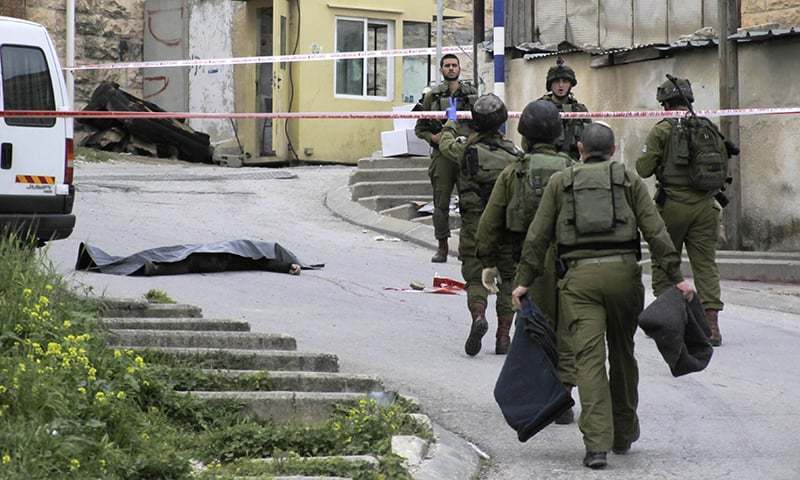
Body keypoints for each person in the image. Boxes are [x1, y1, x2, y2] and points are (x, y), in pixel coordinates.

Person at [511, 123, 694, 469]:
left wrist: (523, 282)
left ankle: (596, 446)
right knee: (623, 352)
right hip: (624, 276)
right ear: (613, 150)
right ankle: (623, 434)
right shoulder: (628, 180)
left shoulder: (560, 183)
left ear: (579, 149)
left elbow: (537, 237)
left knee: (589, 360)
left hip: (579, 281)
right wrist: (676, 278)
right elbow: (656, 231)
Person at [475, 99, 578, 423]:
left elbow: (489, 224)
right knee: (568, 328)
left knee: (533, 329)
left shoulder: (514, 171)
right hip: (569, 262)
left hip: (527, 263)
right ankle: (564, 394)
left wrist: (488, 260)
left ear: (524, 136)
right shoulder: (572, 168)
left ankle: (539, 397)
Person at [636, 75, 737, 346]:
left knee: (663, 260)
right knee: (705, 264)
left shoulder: (662, 129)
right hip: (707, 207)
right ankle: (711, 326)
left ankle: (668, 320)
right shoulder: (707, 126)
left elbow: (643, 168)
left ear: (665, 103)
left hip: (673, 208)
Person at [438, 93, 519, 356]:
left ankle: (478, 317)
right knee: (508, 279)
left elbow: (444, 144)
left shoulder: (465, 151)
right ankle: (504, 335)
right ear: (502, 124)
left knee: (475, 276)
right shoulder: (515, 156)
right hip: (505, 228)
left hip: (474, 226)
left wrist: (451, 121)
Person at [415, 54, 478, 263]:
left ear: (460, 68)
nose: (451, 69)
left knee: (469, 203)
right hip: (442, 154)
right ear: (441, 70)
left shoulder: (472, 94)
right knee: (440, 203)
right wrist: (434, 137)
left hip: (466, 153)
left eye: (454, 65)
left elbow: (481, 121)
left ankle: (465, 247)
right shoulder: (432, 96)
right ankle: (442, 247)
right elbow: (420, 128)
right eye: (447, 66)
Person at [539, 57, 591, 160]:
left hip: (572, 164)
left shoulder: (580, 110)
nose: (561, 85)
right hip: (545, 162)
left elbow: (589, 141)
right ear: (550, 85)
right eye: (556, 81)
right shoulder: (540, 108)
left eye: (565, 81)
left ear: (571, 84)